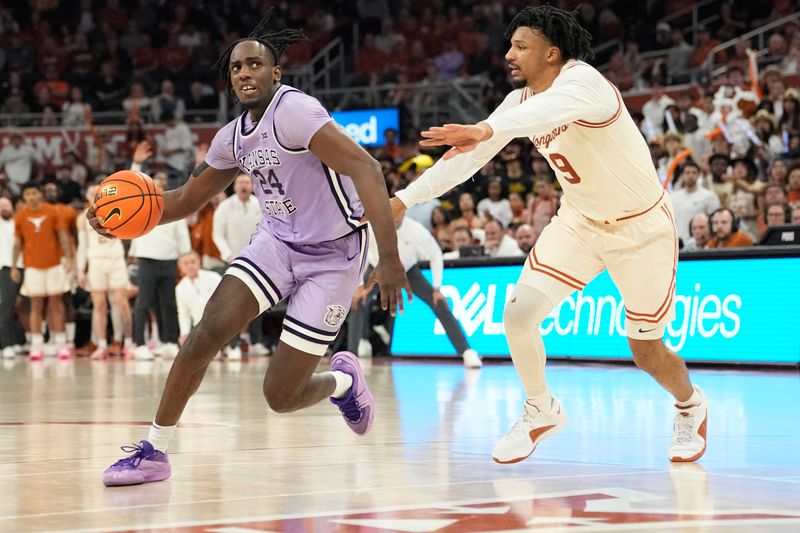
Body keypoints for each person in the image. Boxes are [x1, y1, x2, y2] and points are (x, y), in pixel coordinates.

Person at [90, 17, 409, 486]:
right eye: (237, 67)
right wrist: (120, 220)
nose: (244, 73)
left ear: (275, 74)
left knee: (280, 396)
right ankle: (155, 451)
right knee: (205, 333)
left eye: (255, 64)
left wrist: (389, 258)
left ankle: (343, 382)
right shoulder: (232, 137)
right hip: (276, 243)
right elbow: (182, 200)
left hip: (334, 254)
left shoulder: (296, 112)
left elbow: (367, 168)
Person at [390, 6, 708, 464]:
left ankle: (689, 404)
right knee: (518, 316)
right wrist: (405, 197)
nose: (509, 54)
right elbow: (468, 156)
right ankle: (541, 409)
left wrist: (486, 127)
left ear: (552, 53)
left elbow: (544, 112)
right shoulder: (519, 101)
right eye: (510, 45)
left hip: (641, 229)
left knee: (645, 350)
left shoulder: (585, 83)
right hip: (578, 223)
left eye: (521, 46)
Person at [350, 212, 481, 368]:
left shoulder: (416, 230)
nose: (395, 216)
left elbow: (436, 254)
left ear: (404, 212)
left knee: (439, 303)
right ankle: (351, 356)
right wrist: (359, 285)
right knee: (357, 302)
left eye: (399, 212)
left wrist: (437, 288)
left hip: (408, 271)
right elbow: (360, 255)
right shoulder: (372, 228)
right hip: (377, 269)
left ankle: (466, 352)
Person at [12, 182, 74, 361]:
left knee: (57, 304)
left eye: (34, 193)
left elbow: (63, 236)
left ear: (40, 195)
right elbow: (17, 244)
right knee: (36, 306)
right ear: (24, 198)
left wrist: (69, 259)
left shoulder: (52, 211)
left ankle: (61, 344)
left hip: (54, 264)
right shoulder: (20, 216)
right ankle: (37, 345)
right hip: (32, 266)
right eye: (28, 194)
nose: (31, 197)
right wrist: (15, 266)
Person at [76, 184, 134, 360]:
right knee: (99, 305)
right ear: (86, 195)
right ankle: (101, 345)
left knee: (121, 303)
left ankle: (127, 342)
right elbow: (82, 246)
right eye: (91, 191)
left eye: (97, 192)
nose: (94, 194)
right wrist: (80, 270)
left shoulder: (117, 209)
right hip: (95, 262)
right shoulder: (82, 218)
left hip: (115, 260)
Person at [670, 161, 720, 244]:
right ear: (682, 175)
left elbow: (715, 222)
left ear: (699, 175)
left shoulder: (709, 196)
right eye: (687, 173)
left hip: (699, 244)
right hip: (676, 242)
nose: (690, 176)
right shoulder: (673, 197)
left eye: (694, 173)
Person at [0, 197, 25, 358]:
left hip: (24, 267)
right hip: (5, 269)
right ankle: (6, 344)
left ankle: (18, 341)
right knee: (6, 308)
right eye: (1, 206)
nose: (4, 208)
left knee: (22, 307)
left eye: (7, 205)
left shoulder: (18, 222)